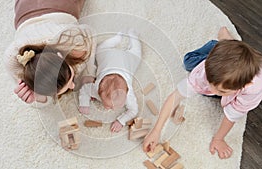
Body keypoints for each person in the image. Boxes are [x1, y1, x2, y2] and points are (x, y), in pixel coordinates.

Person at [143, 27, 262, 159]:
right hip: (217, 58)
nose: (212, 91)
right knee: (188, 62)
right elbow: (175, 96)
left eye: (221, 90)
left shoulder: (253, 89)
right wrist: (156, 131)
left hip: (239, 74)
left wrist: (218, 139)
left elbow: (233, 115)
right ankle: (217, 45)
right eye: (211, 85)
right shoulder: (202, 74)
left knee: (221, 93)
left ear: (245, 85)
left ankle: (223, 43)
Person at [5, 0, 97, 104]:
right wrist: (38, 98)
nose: (73, 85)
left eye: (70, 81)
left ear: (61, 56)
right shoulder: (14, 63)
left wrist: (88, 75)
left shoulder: (69, 38)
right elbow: (41, 100)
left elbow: (90, 33)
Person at [78, 30, 142, 132]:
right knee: (99, 50)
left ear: (127, 91)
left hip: (127, 59)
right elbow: (84, 89)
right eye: (107, 105)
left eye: (112, 106)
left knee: (137, 55)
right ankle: (117, 38)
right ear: (98, 92)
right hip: (109, 55)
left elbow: (134, 110)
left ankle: (133, 37)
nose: (110, 109)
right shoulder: (96, 88)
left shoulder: (128, 95)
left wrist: (121, 121)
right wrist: (84, 103)